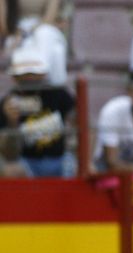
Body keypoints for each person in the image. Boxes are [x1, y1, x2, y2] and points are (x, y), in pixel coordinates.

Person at [0, 47, 74, 178]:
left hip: (60, 159)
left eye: (33, 74)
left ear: (43, 74)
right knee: (10, 171)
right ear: (15, 77)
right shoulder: (8, 103)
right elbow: (8, 154)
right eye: (25, 75)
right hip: (27, 162)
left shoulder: (58, 93)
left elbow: (82, 123)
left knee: (80, 168)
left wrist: (86, 158)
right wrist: (12, 123)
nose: (30, 79)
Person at [1, 0, 67, 88]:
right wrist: (19, 33)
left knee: (49, 39)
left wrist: (31, 31)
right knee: (55, 51)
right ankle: (34, 74)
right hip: (17, 33)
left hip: (44, 29)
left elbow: (49, 18)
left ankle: (38, 71)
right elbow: (4, 24)